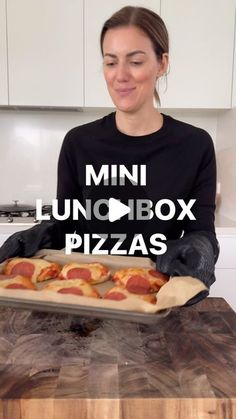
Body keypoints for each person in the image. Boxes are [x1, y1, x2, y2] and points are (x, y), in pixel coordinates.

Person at [0, 6, 219, 303]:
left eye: (136, 61)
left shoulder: (195, 145)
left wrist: (200, 249)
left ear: (162, 63)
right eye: (110, 62)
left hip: (158, 298)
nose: (120, 76)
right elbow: (66, 224)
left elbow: (200, 230)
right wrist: (41, 234)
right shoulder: (78, 143)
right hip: (89, 298)